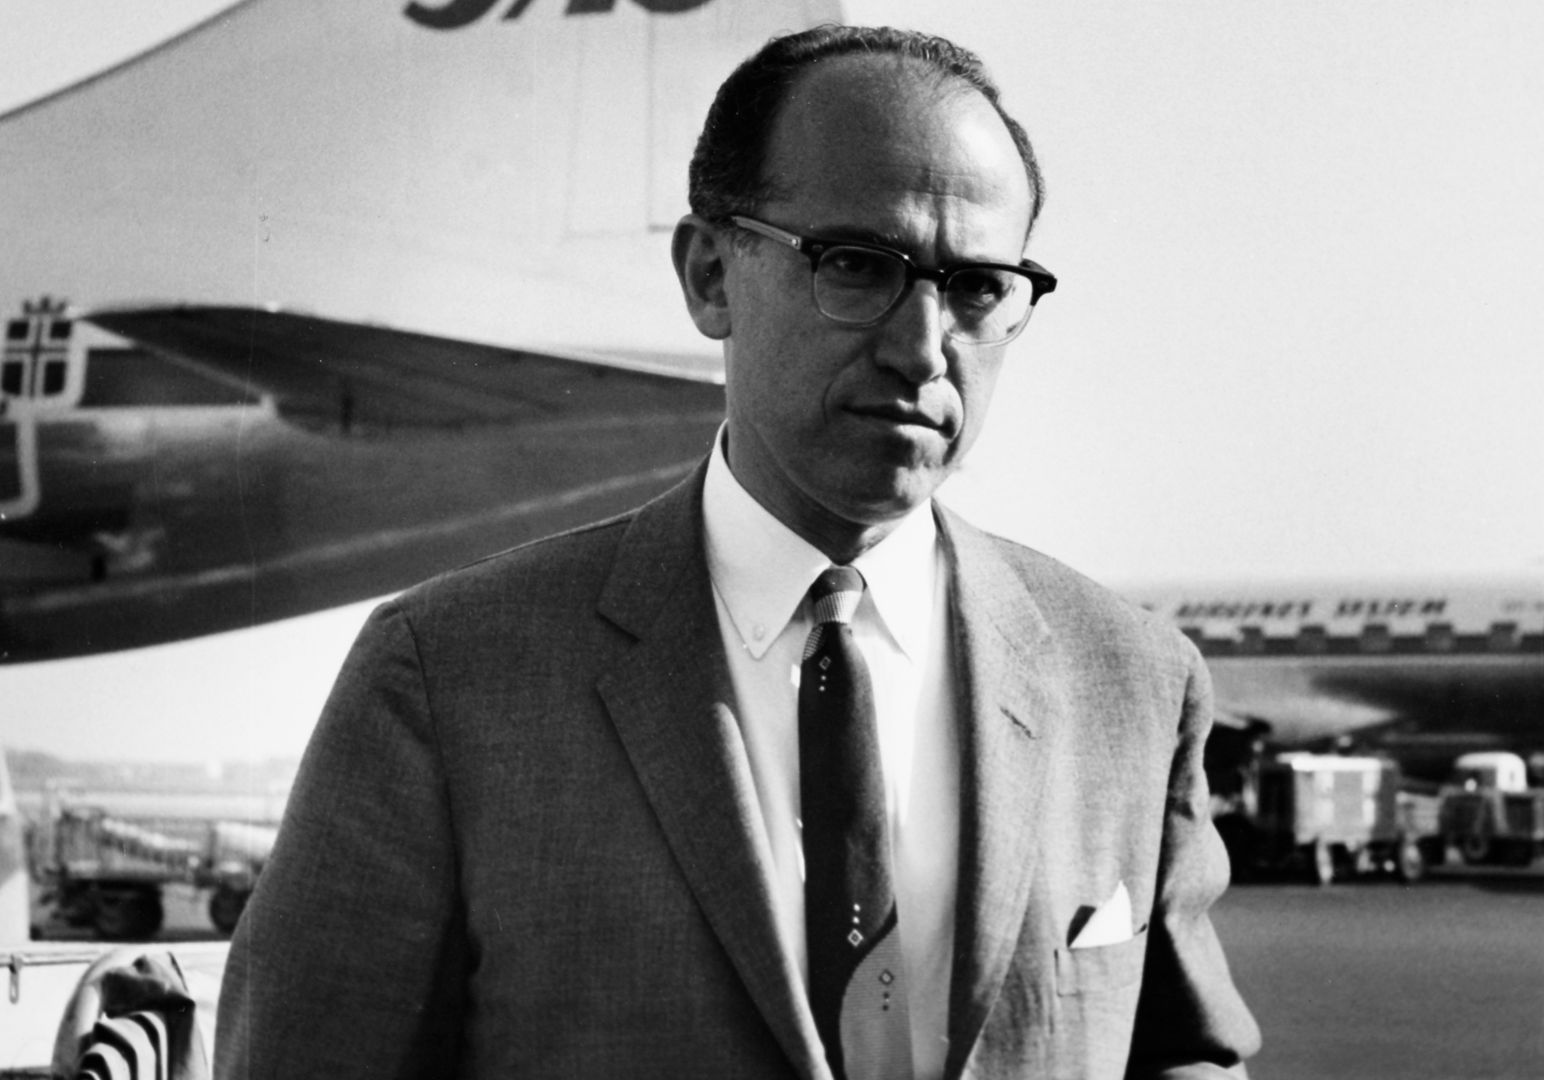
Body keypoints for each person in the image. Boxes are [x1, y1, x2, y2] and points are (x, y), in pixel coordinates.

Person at [217, 25, 1260, 1080]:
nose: (922, 347)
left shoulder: (1131, 682)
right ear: (710, 274)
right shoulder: (451, 677)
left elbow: (1187, 1055)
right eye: (858, 266)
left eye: (978, 288)